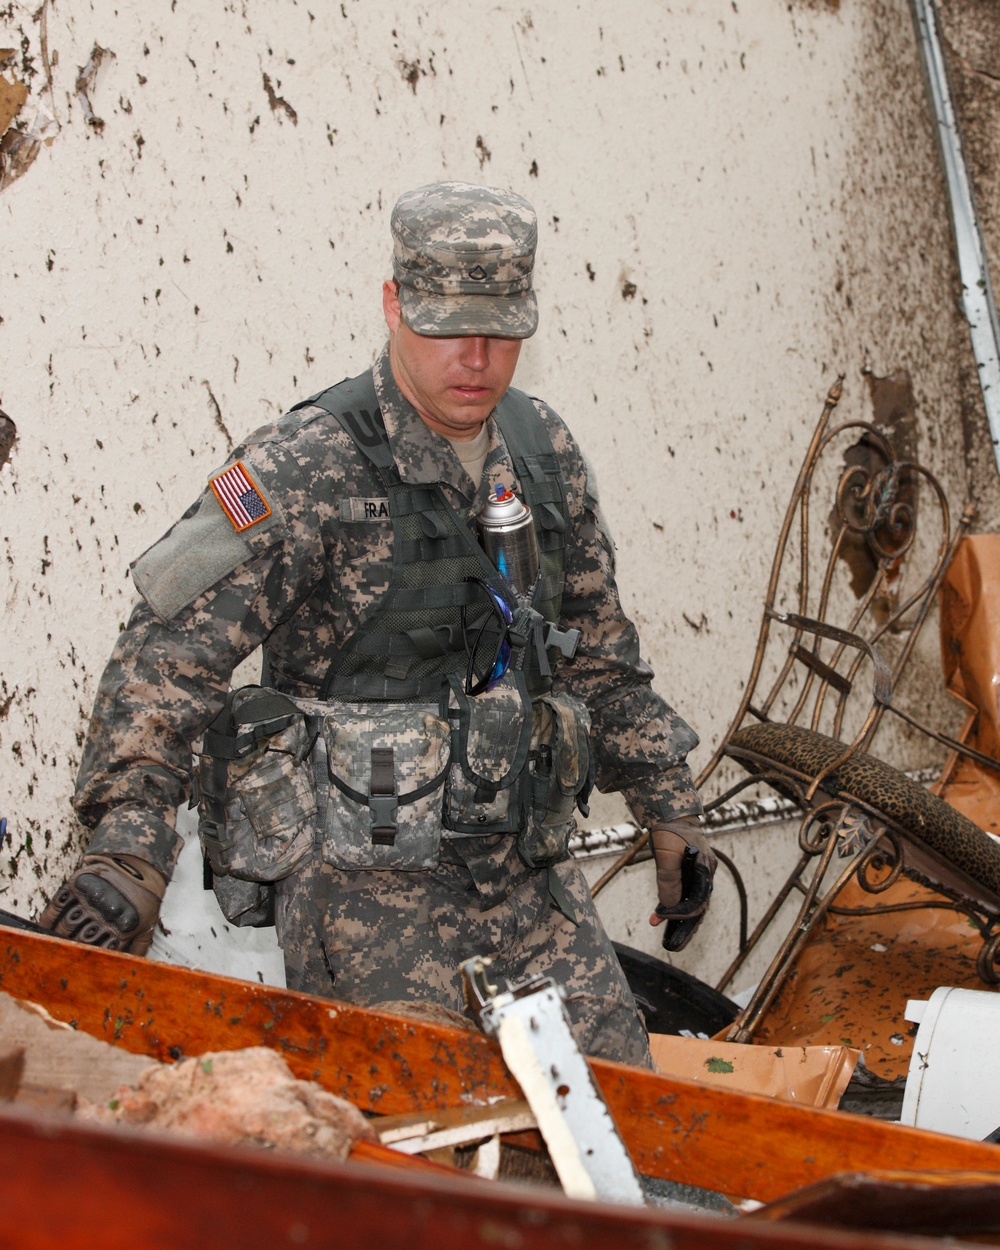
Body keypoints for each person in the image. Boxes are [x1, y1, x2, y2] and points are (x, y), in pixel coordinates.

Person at [40, 181, 714, 1067]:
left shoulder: (543, 454)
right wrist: (130, 844)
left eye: (502, 329)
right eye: (446, 326)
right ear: (394, 304)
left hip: (524, 870)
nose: (475, 357)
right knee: (418, 1145)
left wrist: (670, 804)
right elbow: (167, 655)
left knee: (623, 1122)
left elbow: (597, 651)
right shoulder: (305, 464)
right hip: (362, 887)